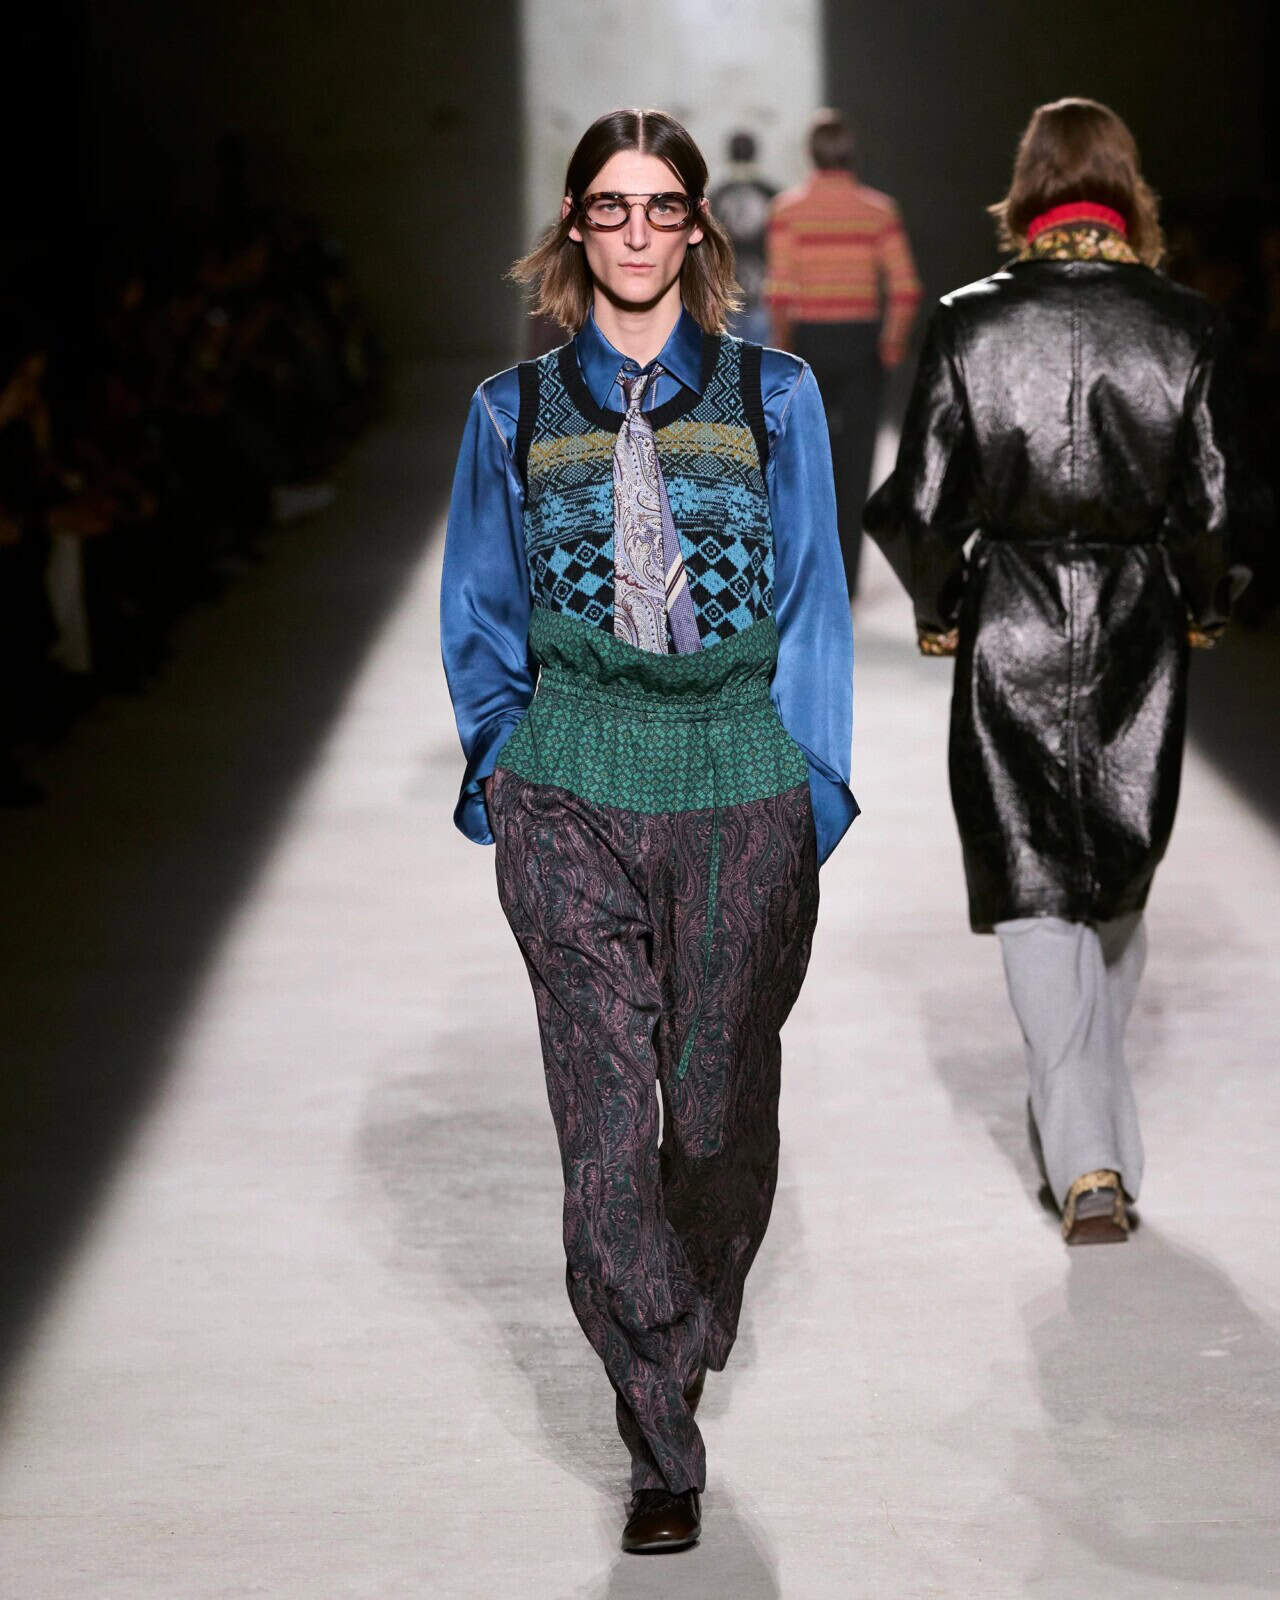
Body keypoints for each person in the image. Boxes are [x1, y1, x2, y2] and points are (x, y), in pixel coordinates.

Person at [441, 107, 855, 1553]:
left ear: (694, 224)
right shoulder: (509, 410)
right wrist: (505, 768)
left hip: (737, 769)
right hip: (571, 776)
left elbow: (813, 597)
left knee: (718, 1113)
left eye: (658, 206)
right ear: (575, 224)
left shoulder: (776, 394)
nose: (633, 231)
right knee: (609, 1130)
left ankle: (677, 1328)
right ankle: (658, 1435)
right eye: (607, 207)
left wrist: (811, 787)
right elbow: (479, 607)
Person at [864, 98, 1260, 1245]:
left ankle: (1085, 1159)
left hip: (1011, 619)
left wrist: (941, 608)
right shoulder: (1184, 325)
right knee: (1114, 876)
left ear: (1026, 188)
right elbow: (1216, 507)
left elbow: (918, 503)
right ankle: (1093, 1153)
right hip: (1136, 621)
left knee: (1034, 882)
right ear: (1125, 188)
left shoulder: (967, 322)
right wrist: (1203, 604)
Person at [765, 107, 921, 597]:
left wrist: (783, 346)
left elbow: (780, 292)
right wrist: (890, 344)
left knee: (802, 461)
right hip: (860, 344)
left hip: (807, 342)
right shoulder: (878, 211)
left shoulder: (788, 211)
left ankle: (807, 577)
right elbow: (906, 288)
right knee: (855, 464)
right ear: (851, 153)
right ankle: (844, 583)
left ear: (809, 154)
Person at [708, 130, 778, 344]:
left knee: (730, 361)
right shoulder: (772, 194)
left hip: (728, 295)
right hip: (764, 291)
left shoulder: (717, 195)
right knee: (762, 359)